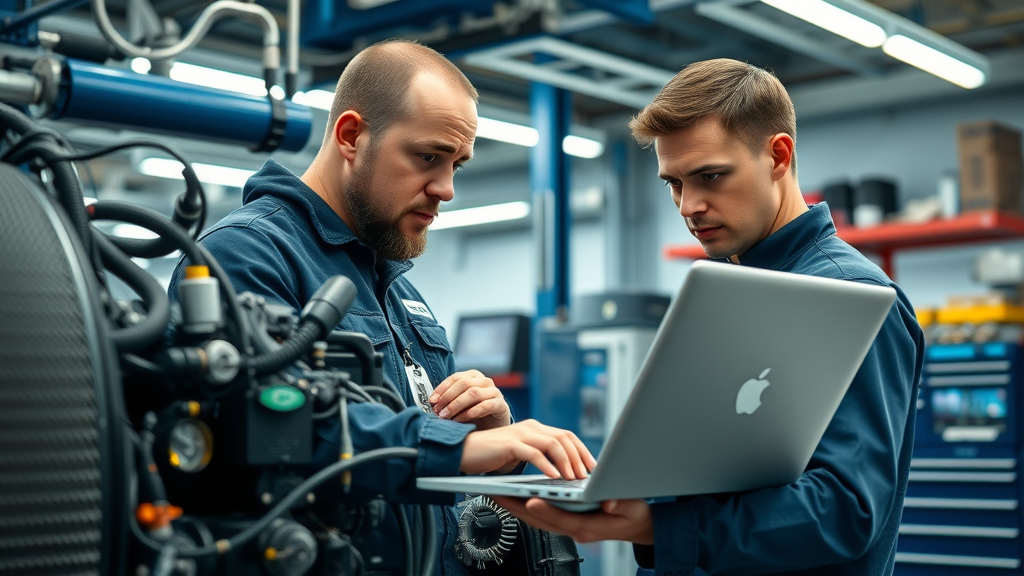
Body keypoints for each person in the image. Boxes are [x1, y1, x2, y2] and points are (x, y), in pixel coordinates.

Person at [168, 39, 595, 576]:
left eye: (457, 164)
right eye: (428, 157)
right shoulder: (246, 255)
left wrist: (490, 439)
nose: (447, 188)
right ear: (351, 136)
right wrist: (454, 447)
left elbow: (421, 471)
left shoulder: (397, 289)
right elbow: (268, 432)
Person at [493, 58, 925, 576]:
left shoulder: (849, 294)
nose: (688, 205)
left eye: (711, 176)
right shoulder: (726, 287)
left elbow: (847, 510)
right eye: (673, 183)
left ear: (778, 156)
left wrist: (659, 526)